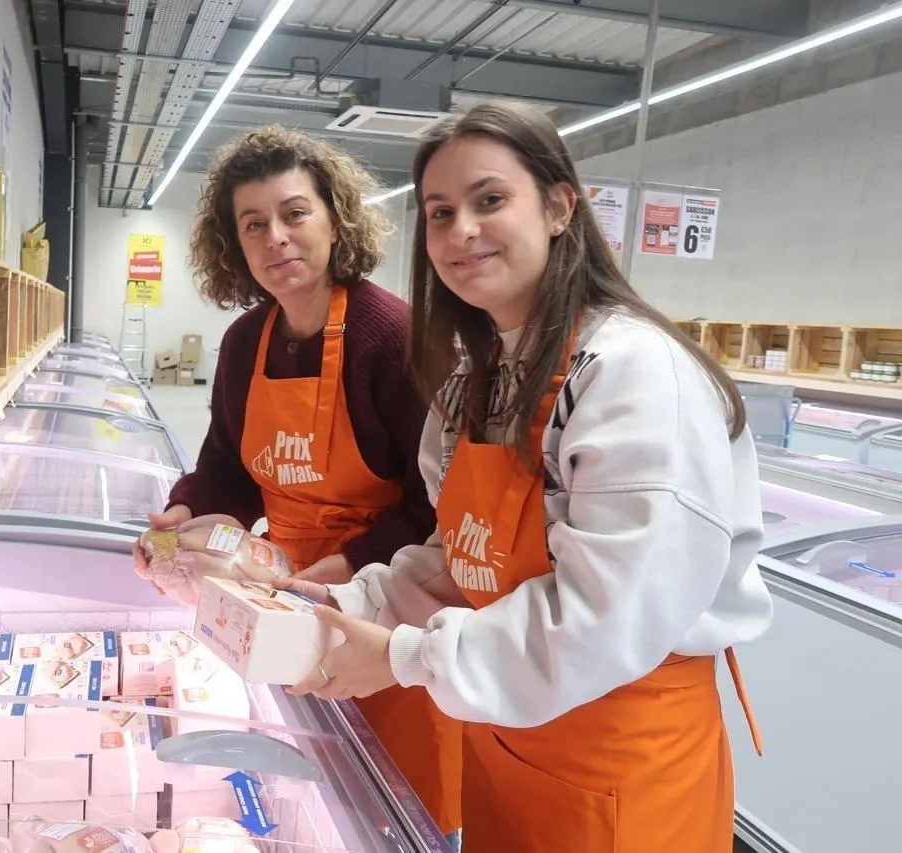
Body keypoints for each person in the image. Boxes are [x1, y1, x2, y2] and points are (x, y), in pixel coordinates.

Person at [280, 102, 774, 852]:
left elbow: (608, 614)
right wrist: (359, 601)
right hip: (506, 739)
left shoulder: (635, 374)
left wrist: (405, 656)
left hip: (620, 763)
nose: (460, 231)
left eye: (489, 200)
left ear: (558, 206)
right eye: (440, 212)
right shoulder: (474, 381)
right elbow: (464, 556)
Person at [135, 126, 463, 841]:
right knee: (316, 797)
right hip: (286, 602)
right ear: (233, 244)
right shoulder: (243, 344)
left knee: (396, 813)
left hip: (390, 611)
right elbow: (228, 467)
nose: (276, 238)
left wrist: (343, 568)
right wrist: (184, 514)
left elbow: (437, 506)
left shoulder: (393, 339)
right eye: (253, 224)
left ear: (335, 220)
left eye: (294, 213)